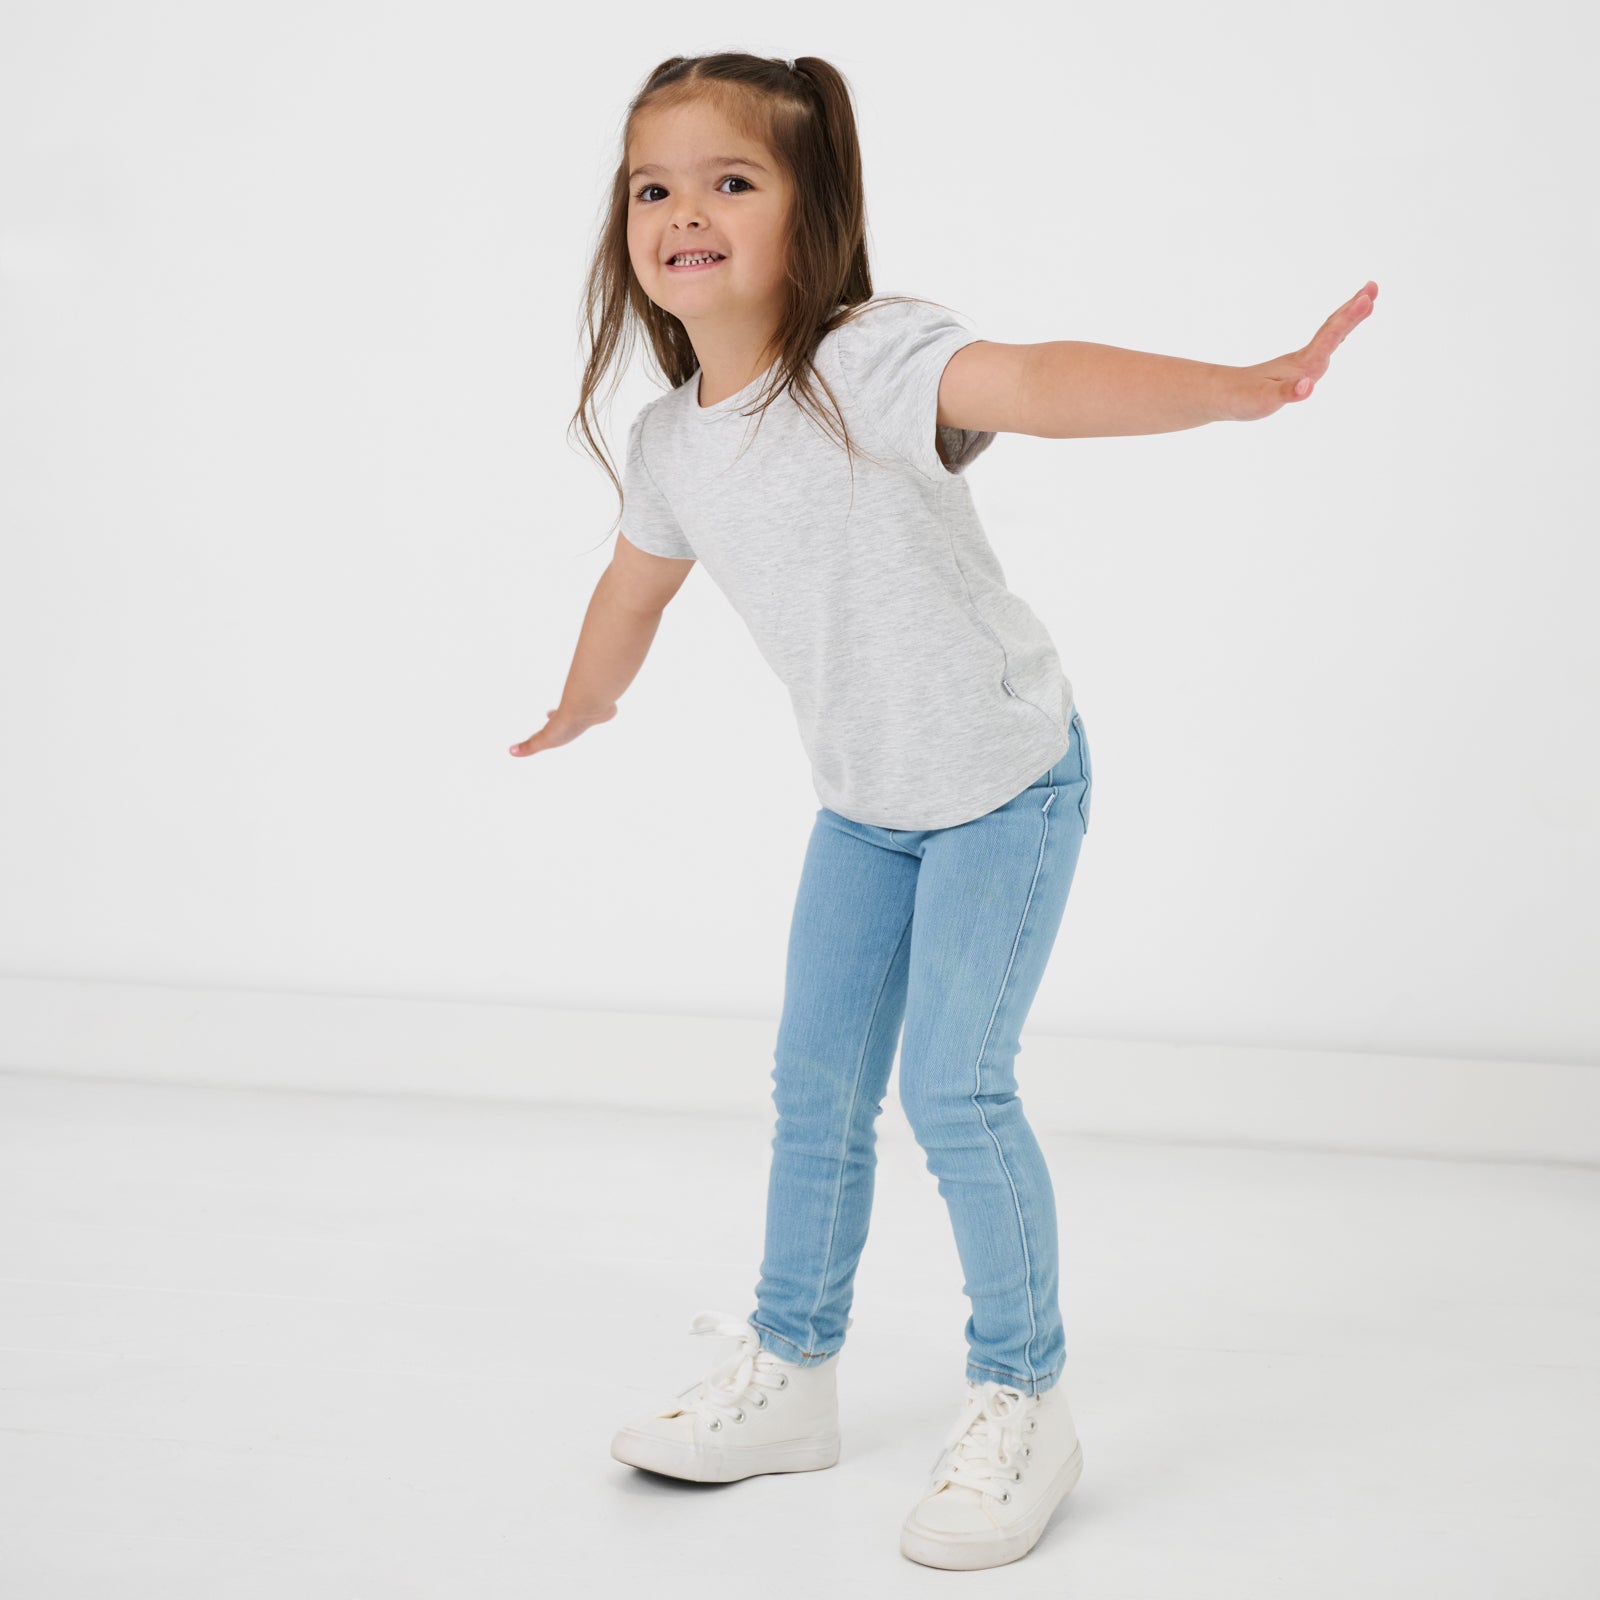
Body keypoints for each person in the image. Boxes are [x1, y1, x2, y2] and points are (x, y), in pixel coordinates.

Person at [508, 51, 1376, 1572]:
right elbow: (633, 588)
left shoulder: (873, 361)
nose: (683, 212)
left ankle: (1025, 1398)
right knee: (814, 1090)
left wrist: (1238, 389)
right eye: (654, 188)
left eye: (731, 181)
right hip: (864, 808)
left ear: (811, 214)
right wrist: (590, 697)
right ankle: (792, 1372)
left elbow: (1036, 380)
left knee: (955, 1093)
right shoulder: (672, 443)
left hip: (1002, 785)